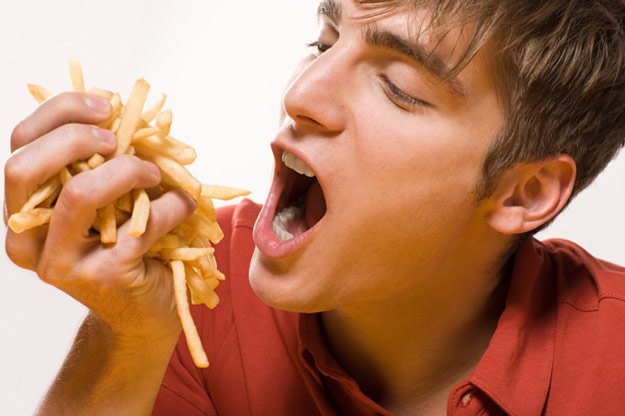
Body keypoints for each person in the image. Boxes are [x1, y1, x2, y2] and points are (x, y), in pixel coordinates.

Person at [5, 0, 625, 414]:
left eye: (397, 87)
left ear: (525, 191)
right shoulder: (194, 292)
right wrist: (127, 336)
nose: (300, 95)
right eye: (323, 41)